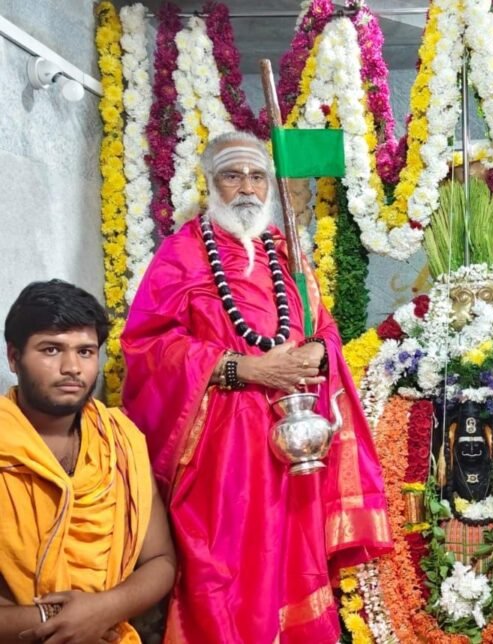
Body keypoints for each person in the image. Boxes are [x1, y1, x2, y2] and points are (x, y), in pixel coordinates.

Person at [121, 131, 391, 642]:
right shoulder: (182, 255)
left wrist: (319, 352)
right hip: (219, 454)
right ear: (210, 183)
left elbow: (324, 329)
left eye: (256, 176)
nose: (246, 187)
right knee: (219, 569)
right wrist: (244, 369)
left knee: (292, 559)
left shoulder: (287, 253)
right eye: (232, 175)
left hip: (294, 442)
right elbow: (148, 346)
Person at [0, 280, 175, 644]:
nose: (72, 367)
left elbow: (161, 560)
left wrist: (104, 609)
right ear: (14, 358)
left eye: (85, 351)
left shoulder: (120, 440)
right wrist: (62, 622)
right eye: (51, 349)